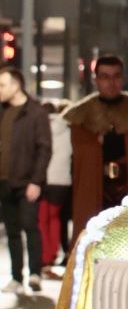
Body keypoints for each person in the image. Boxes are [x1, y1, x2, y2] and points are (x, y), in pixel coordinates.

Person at [66, 54, 128, 238]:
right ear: (96, 80)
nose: (111, 82)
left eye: (116, 76)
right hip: (96, 186)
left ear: (123, 78)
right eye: (105, 77)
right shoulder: (82, 114)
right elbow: (80, 151)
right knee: (95, 234)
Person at [0, 67, 50, 294]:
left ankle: (35, 273)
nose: (0, 90)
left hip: (27, 181)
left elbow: (44, 149)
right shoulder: (3, 111)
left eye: (3, 85)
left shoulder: (35, 113)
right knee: (11, 231)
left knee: (30, 227)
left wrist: (36, 181)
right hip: (4, 181)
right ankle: (16, 277)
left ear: (16, 85)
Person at [39, 101, 71, 273]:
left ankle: (45, 256)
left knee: (42, 219)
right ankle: (54, 253)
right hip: (62, 181)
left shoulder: (40, 128)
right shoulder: (67, 129)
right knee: (55, 218)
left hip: (44, 180)